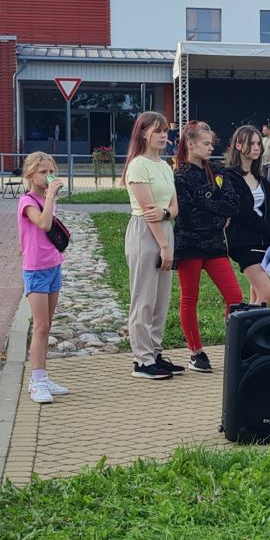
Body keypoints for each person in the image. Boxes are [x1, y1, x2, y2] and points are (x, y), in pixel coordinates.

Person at [173, 121, 243, 373]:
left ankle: (234, 347)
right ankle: (196, 352)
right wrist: (217, 212)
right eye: (205, 143)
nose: (211, 147)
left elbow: (234, 204)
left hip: (215, 245)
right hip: (189, 245)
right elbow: (188, 214)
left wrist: (209, 204)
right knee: (189, 298)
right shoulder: (180, 175)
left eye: (212, 142)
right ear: (190, 144)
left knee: (235, 297)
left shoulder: (217, 170)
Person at [122, 111, 180, 380]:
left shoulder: (166, 166)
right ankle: (142, 360)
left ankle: (155, 352)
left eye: (165, 131)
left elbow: (173, 207)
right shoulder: (138, 165)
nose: (163, 136)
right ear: (143, 132)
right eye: (157, 131)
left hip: (164, 229)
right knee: (143, 297)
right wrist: (163, 245)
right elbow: (148, 209)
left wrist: (167, 216)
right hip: (145, 233)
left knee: (160, 299)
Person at [17, 152, 71, 403]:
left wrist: (49, 196)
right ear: (30, 175)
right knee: (39, 326)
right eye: (43, 172)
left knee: (47, 325)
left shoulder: (44, 198)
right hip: (36, 270)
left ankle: (41, 375)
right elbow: (43, 224)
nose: (49, 176)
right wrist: (50, 195)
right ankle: (36, 381)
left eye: (52, 171)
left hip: (52, 266)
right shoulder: (27, 201)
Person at [223, 126, 270, 307]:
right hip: (243, 242)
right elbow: (244, 213)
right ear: (239, 146)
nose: (257, 147)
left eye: (258, 143)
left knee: (257, 299)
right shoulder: (229, 177)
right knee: (266, 296)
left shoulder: (262, 180)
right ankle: (240, 329)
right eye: (252, 143)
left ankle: (248, 334)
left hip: (263, 242)